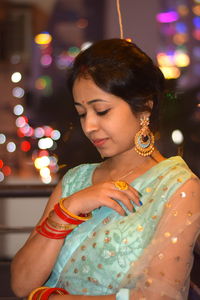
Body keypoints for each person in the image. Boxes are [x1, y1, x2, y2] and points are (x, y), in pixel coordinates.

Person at [11, 39, 200, 300]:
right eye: (81, 113)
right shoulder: (76, 180)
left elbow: (157, 296)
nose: (89, 126)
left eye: (101, 110)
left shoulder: (180, 187)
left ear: (145, 106)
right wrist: (70, 209)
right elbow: (21, 285)